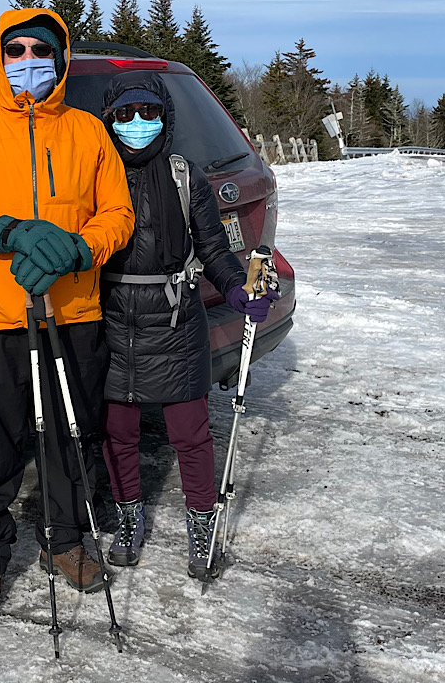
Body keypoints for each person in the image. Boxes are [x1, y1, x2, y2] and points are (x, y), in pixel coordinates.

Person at [0, 8, 134, 623]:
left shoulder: (88, 132)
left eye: (42, 49)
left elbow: (117, 214)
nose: (28, 61)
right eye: (15, 51)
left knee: (70, 439)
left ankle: (65, 542)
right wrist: (4, 232)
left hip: (73, 312)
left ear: (61, 60)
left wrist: (79, 246)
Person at [97, 71, 279, 579]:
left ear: (164, 117)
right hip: (112, 317)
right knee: (118, 433)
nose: (137, 124)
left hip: (174, 316)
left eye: (148, 114)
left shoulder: (185, 176)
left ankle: (202, 523)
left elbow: (214, 249)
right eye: (125, 115)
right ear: (109, 119)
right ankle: (129, 518)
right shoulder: (96, 172)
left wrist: (238, 289)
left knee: (191, 434)